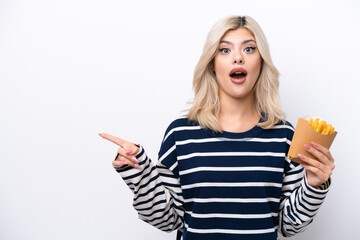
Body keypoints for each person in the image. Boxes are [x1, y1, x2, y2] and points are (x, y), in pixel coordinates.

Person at [99, 15, 335, 240]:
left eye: (249, 48)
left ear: (261, 62)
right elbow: (167, 219)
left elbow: (289, 225)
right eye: (225, 49)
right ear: (212, 63)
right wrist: (139, 171)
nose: (238, 58)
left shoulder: (284, 136)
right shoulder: (181, 134)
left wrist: (313, 185)